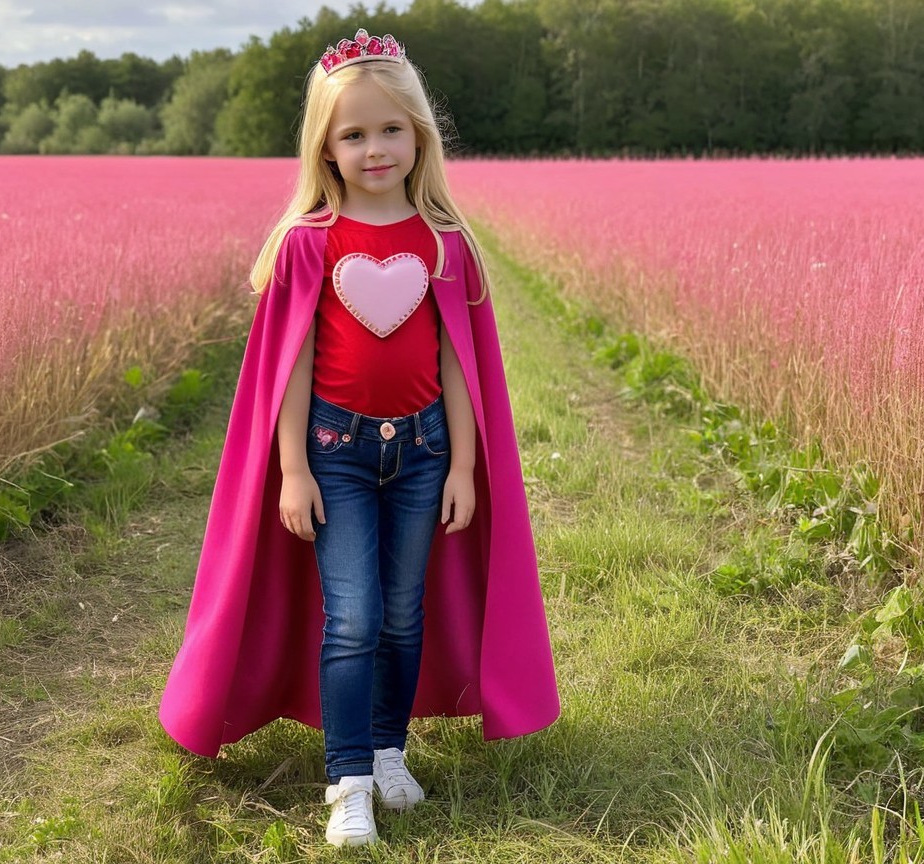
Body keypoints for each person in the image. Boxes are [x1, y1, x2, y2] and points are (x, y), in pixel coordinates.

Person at [158, 28, 559, 847]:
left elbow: (461, 365)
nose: (375, 147)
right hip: (336, 458)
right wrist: (293, 469)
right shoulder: (308, 243)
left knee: (404, 617)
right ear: (326, 147)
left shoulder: (446, 243)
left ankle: (386, 751)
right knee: (353, 616)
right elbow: (290, 372)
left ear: (419, 135)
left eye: (391, 129)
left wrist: (466, 468)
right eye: (353, 133)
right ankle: (346, 782)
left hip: (423, 457)